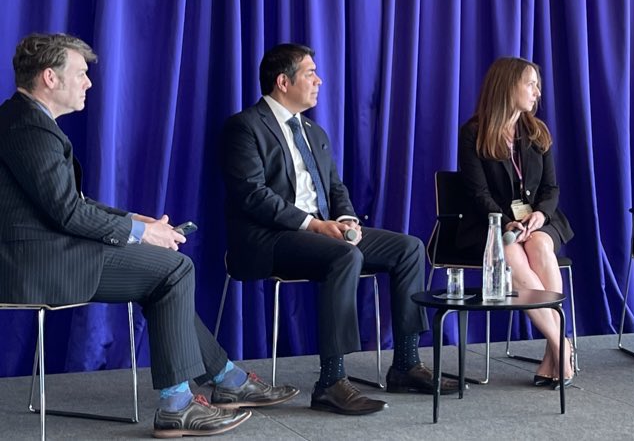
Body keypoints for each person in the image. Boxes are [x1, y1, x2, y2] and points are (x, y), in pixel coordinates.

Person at [0, 33, 298, 438]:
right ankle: (178, 404)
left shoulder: (26, 120)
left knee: (163, 276)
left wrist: (135, 219)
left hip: (49, 252)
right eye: (81, 74)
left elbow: (69, 200)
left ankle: (225, 379)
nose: (88, 83)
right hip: (40, 264)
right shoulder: (28, 127)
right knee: (173, 270)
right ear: (50, 78)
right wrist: (140, 234)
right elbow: (68, 212)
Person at [220, 43, 458, 416]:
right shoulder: (244, 127)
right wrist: (314, 224)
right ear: (283, 82)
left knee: (409, 248)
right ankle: (332, 382)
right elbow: (253, 196)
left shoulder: (314, 131)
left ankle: (406, 365)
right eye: (310, 73)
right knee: (345, 255)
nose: (319, 80)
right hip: (268, 239)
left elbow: (335, 187)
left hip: (321, 231)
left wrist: (346, 219)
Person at [457, 57, 576, 387]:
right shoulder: (473, 133)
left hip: (539, 222)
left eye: (538, 85)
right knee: (511, 254)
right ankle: (561, 344)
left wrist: (540, 215)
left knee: (539, 244)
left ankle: (556, 349)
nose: (537, 92)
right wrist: (507, 222)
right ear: (508, 86)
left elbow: (551, 188)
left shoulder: (537, 132)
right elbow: (478, 193)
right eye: (531, 83)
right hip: (492, 223)